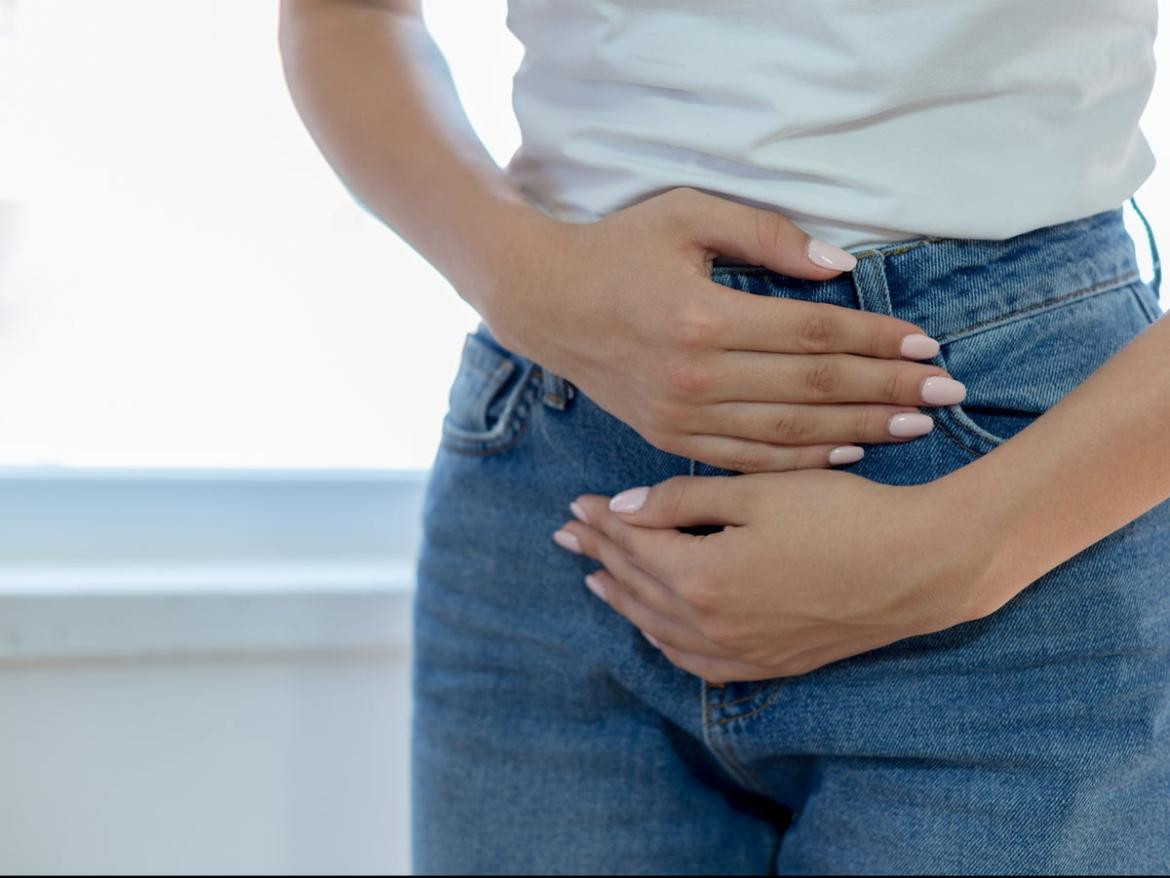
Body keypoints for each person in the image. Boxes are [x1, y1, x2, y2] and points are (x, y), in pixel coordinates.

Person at [279, 0, 1169, 872]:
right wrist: (524, 284)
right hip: (552, 488)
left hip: (1032, 493)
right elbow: (346, 15)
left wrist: (970, 546)